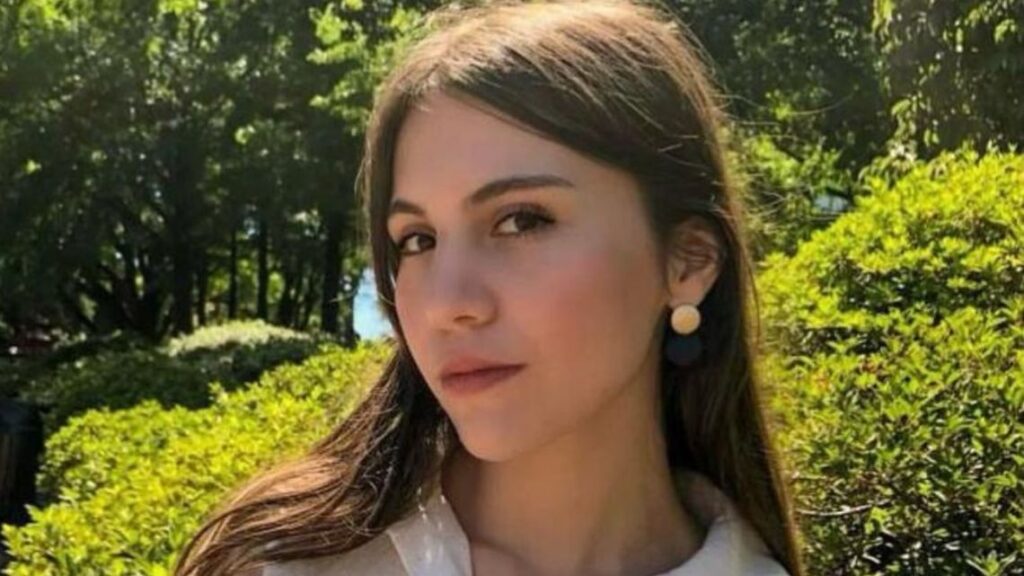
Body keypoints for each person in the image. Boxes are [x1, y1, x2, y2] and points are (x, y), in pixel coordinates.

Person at [174, 1, 805, 574]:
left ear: (689, 263)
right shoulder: (280, 566)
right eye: (417, 240)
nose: (448, 304)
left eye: (521, 221)